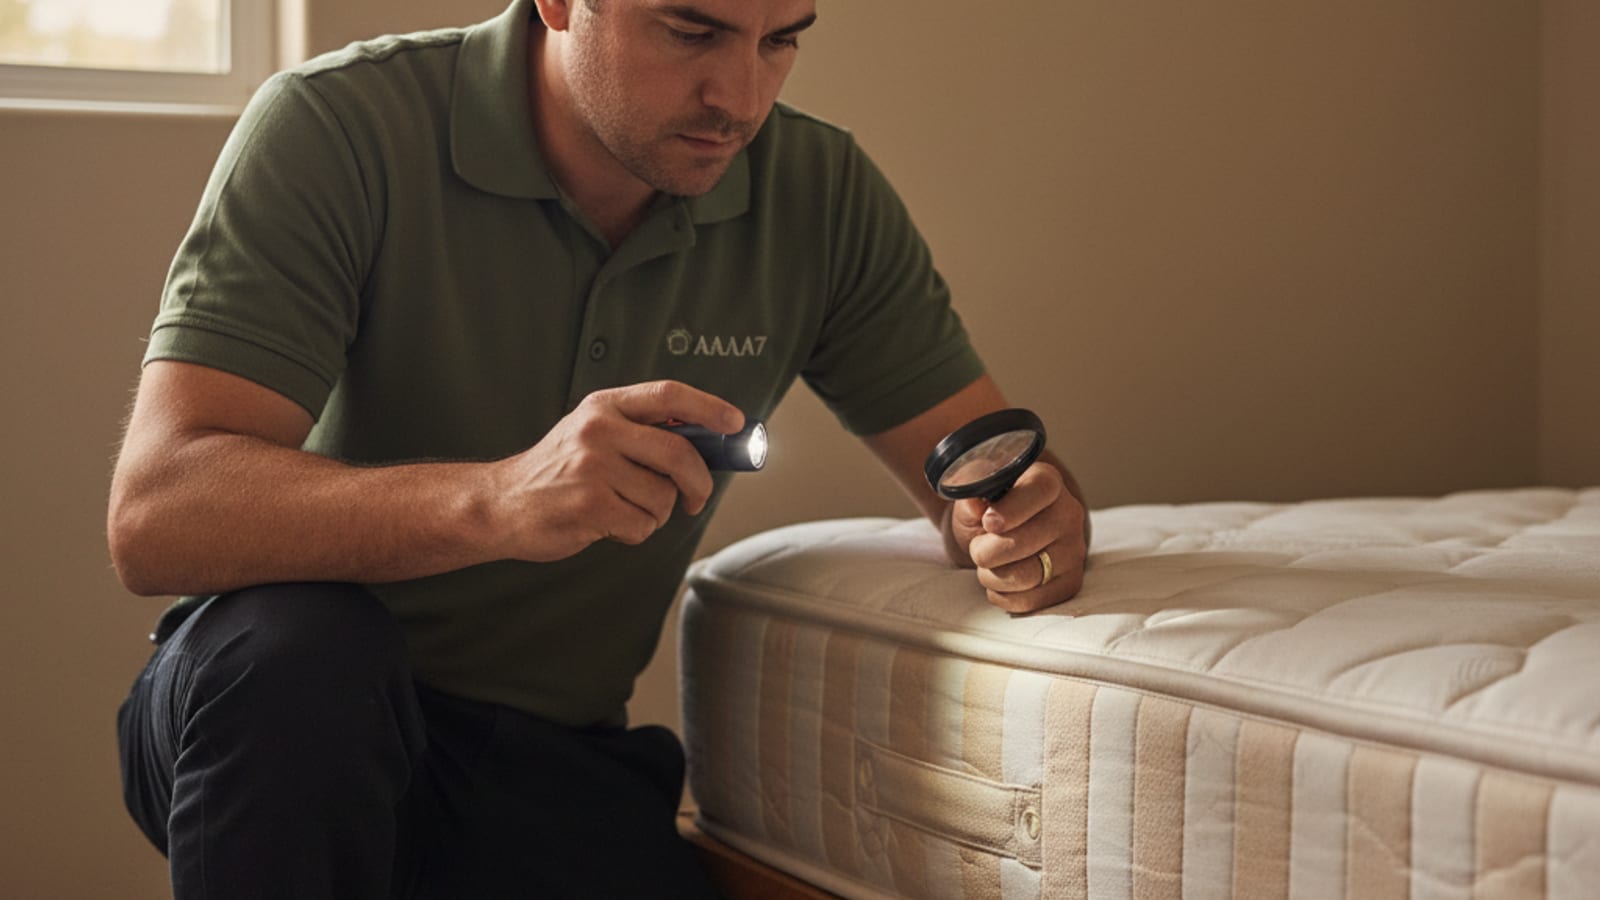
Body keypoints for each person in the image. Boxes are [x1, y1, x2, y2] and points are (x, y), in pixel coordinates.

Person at [107, 0, 1090, 897]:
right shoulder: (338, 125)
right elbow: (156, 517)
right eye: (691, 30)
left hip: (545, 756)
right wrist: (498, 501)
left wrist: (1029, 522)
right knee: (306, 656)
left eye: (781, 38)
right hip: (271, 715)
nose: (739, 97)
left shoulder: (820, 193)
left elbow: (975, 479)